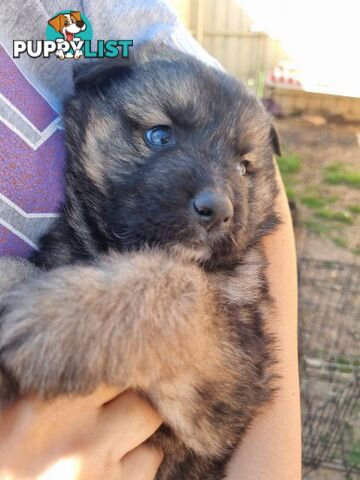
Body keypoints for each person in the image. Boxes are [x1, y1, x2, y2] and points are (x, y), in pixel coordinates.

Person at [0, 1, 301, 478]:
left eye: (243, 168)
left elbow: (230, 399)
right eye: (160, 136)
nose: (219, 196)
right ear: (92, 106)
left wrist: (156, 304)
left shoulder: (92, 17)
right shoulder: (72, 236)